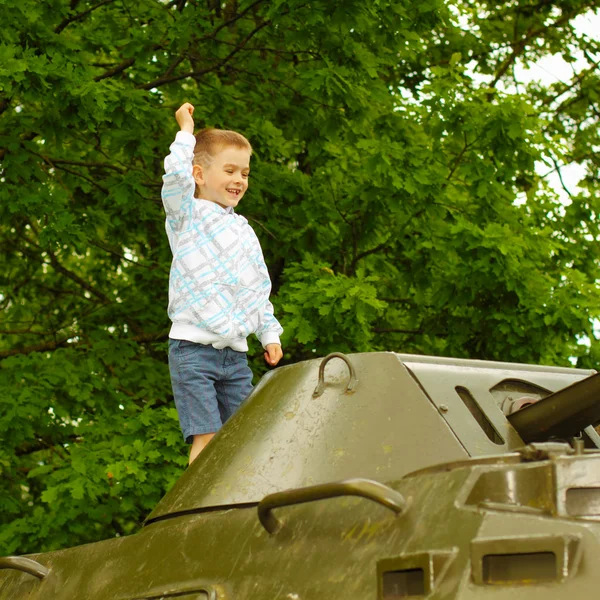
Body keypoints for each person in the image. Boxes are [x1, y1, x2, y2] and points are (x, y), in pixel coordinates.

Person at [162, 102, 283, 464]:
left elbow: (256, 289)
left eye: (244, 173)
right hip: (193, 350)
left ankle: (238, 505)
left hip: (234, 356)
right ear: (199, 174)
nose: (239, 180)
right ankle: (196, 515)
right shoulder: (187, 215)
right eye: (229, 170)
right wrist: (186, 132)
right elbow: (176, 178)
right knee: (208, 439)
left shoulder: (244, 232)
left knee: (244, 438)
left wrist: (269, 334)